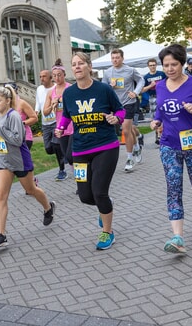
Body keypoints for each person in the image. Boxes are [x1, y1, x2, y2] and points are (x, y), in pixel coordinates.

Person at [150, 44, 192, 254]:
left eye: (174, 65)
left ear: (182, 63)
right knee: (173, 186)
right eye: (166, 65)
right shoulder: (160, 86)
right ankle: (178, 237)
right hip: (169, 143)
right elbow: (160, 110)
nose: (170, 69)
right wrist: (156, 121)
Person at [55, 51, 124, 250]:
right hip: (80, 150)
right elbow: (67, 116)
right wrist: (61, 127)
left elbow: (120, 110)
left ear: (89, 67)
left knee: (99, 192)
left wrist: (116, 118)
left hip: (105, 147)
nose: (77, 67)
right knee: (85, 196)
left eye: (80, 63)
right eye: (74, 64)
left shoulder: (103, 89)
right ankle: (105, 209)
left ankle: (107, 232)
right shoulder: (69, 93)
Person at [0, 85, 56, 248]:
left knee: (31, 190)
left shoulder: (14, 116)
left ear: (8, 101)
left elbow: (18, 140)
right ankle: (1, 235)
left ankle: (48, 207)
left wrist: (1, 132)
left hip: (20, 159)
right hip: (3, 160)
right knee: (0, 196)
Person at [102, 48, 145, 172]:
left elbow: (141, 80)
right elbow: (104, 87)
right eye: (113, 58)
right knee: (129, 128)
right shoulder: (108, 72)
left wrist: (136, 92)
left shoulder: (130, 70)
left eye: (117, 57)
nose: (115, 60)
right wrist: (110, 86)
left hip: (129, 103)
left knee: (125, 130)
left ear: (122, 58)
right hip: (116, 105)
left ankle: (129, 159)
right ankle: (136, 146)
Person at [43, 59, 73, 181]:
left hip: (73, 125)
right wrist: (52, 105)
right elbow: (45, 112)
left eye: (59, 75)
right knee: (67, 155)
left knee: (72, 155)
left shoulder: (70, 88)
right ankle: (78, 177)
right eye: (54, 76)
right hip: (60, 128)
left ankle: (81, 179)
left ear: (64, 75)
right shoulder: (51, 92)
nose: (57, 78)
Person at [141, 58, 166, 144]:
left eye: (154, 65)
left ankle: (161, 135)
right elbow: (142, 90)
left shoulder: (161, 74)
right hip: (152, 97)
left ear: (156, 65)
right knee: (155, 117)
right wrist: (150, 86)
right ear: (148, 66)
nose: (152, 67)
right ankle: (157, 135)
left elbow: (168, 82)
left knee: (163, 114)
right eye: (150, 65)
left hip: (162, 96)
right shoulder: (146, 77)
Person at [8, 82, 38, 150]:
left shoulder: (21, 103)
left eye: (11, 91)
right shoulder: (4, 104)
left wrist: (22, 123)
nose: (9, 93)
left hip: (24, 137)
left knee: (22, 160)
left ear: (16, 90)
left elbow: (34, 118)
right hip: (10, 138)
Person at [34, 69, 56, 157]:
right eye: (40, 77)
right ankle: (61, 152)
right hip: (45, 122)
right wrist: (36, 111)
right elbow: (38, 102)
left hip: (56, 121)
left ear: (50, 77)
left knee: (56, 143)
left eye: (44, 76)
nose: (42, 79)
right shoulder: (39, 89)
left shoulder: (55, 88)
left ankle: (62, 163)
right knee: (48, 148)